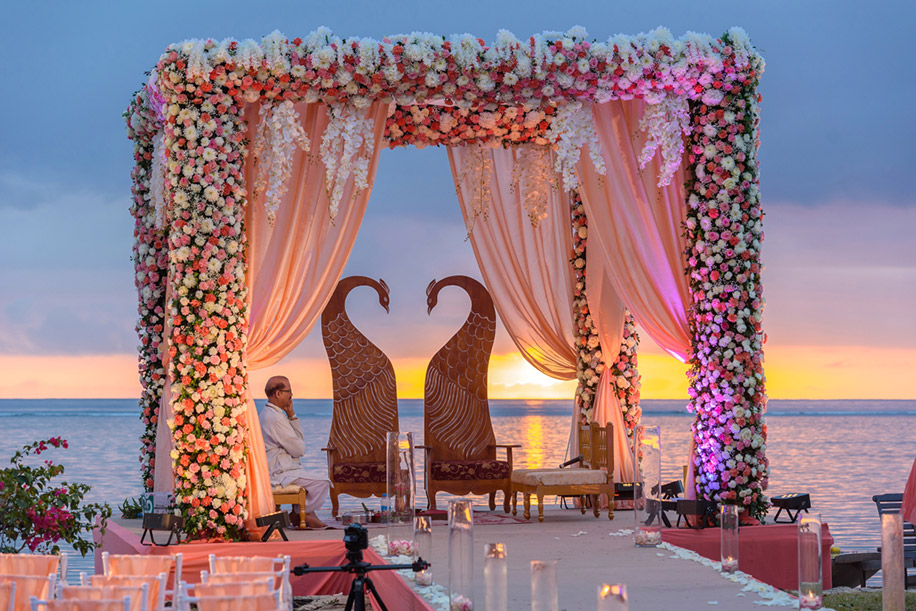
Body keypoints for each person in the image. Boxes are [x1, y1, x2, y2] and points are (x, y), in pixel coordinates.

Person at [260, 375, 330, 529]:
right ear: (278, 393)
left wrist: (291, 415)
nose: (291, 395)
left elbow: (299, 443)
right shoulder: (274, 418)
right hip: (280, 472)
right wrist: (297, 445)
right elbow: (299, 450)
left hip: (287, 468)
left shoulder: (275, 414)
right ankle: (303, 513)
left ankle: (303, 512)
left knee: (318, 481)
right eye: (289, 391)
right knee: (323, 482)